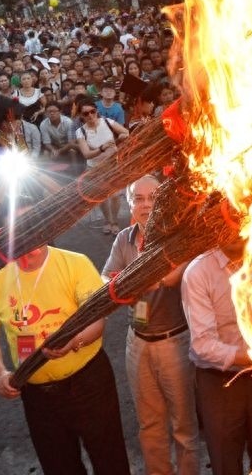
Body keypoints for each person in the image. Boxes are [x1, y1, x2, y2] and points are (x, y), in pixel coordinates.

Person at [0, 235, 130, 475]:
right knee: (59, 466)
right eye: (21, 232)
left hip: (89, 384)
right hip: (38, 396)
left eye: (36, 229)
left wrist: (74, 341)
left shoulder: (75, 264)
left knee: (109, 460)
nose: (29, 241)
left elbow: (98, 321)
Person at [102, 174, 200, 475]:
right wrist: (121, 284)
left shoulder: (180, 239)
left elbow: (171, 278)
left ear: (165, 201)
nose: (146, 205)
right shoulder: (124, 239)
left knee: (184, 426)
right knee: (149, 424)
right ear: (130, 204)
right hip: (138, 341)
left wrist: (132, 282)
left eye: (153, 198)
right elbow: (106, 279)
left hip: (176, 342)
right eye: (138, 199)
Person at [182, 229, 252, 475]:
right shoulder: (198, 272)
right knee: (225, 459)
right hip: (220, 381)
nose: (234, 228)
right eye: (227, 220)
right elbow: (202, 344)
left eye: (241, 218)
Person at [74, 97, 130, 234]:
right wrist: (102, 148)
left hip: (113, 164)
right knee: (102, 196)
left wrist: (121, 138)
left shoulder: (107, 122)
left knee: (115, 195)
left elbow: (125, 132)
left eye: (92, 111)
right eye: (86, 113)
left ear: (96, 111)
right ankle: (107, 221)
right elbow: (86, 154)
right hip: (95, 168)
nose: (90, 115)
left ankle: (114, 221)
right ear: (81, 116)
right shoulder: (80, 132)